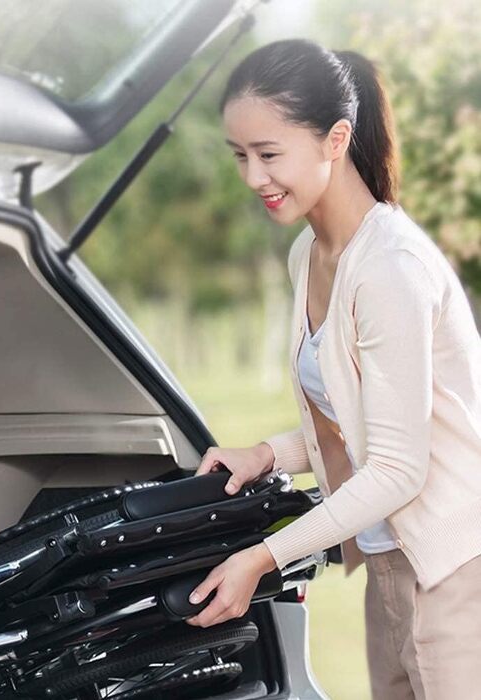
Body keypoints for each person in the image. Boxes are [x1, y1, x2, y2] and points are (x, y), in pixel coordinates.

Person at [186, 38, 481, 699]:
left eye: (268, 154)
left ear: (335, 139)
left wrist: (262, 558)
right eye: (240, 156)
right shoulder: (310, 254)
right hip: (388, 562)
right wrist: (266, 453)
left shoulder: (390, 270)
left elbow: (400, 467)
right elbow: (361, 420)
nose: (253, 177)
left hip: (455, 571)